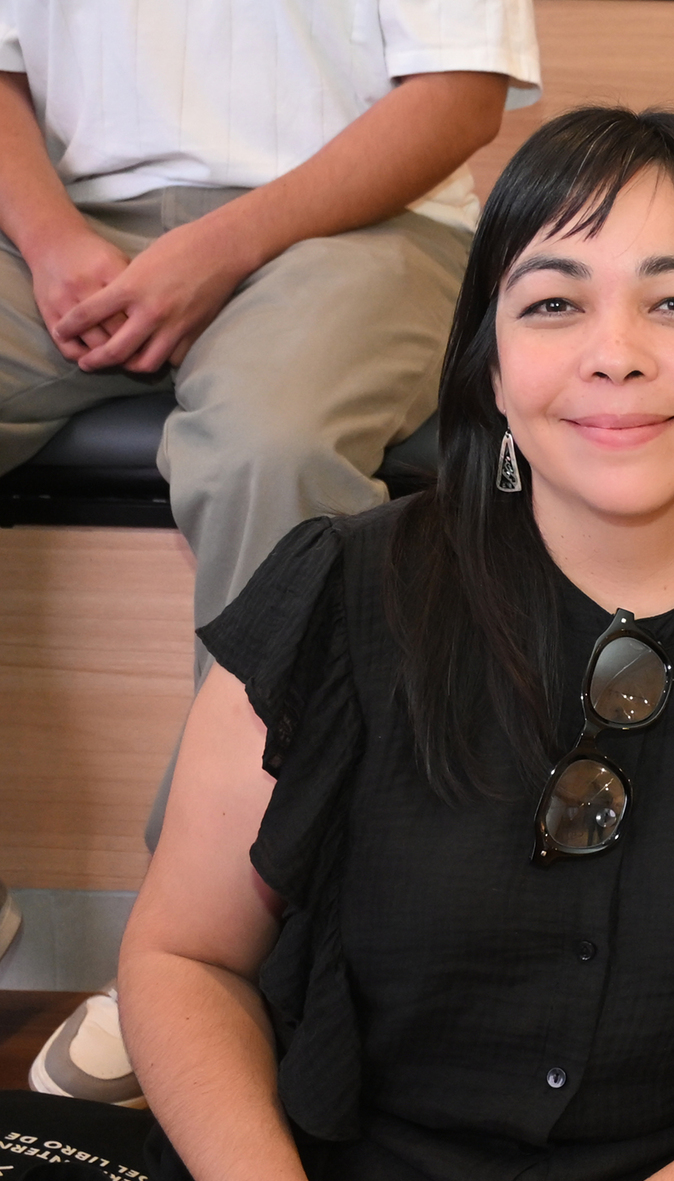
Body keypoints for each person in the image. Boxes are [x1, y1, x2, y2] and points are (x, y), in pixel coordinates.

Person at [96, 106, 674, 1181]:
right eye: (553, 305)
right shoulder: (338, 592)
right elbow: (188, 958)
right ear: (491, 369)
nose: (615, 352)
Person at [0, 1, 540, 1069]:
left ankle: (203, 951)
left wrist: (218, 247)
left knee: (269, 450)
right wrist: (50, 239)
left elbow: (458, 97)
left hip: (360, 223)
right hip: (62, 229)